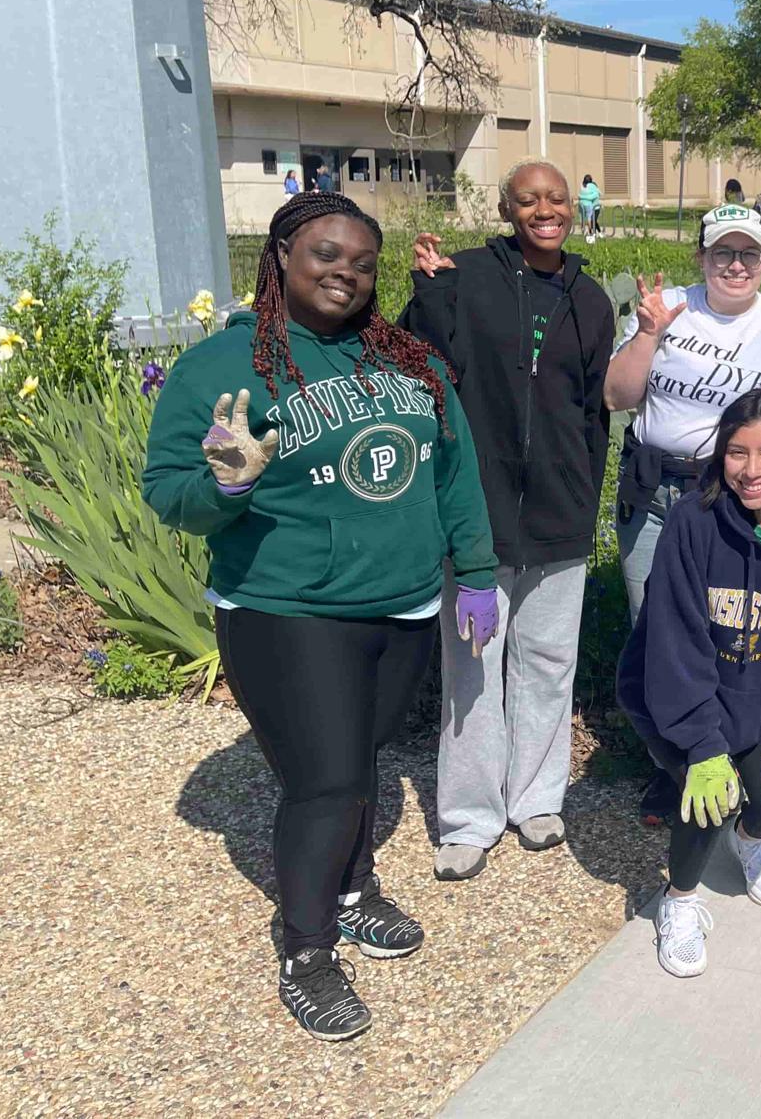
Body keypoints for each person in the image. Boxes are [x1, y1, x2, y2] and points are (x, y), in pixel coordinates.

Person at [142, 192, 499, 1042]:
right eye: (324, 256)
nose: (345, 273)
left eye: (363, 262)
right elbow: (170, 495)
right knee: (328, 780)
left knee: (360, 760)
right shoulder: (223, 368)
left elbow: (455, 471)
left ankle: (352, 886)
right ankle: (305, 948)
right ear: (280, 260)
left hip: (404, 604)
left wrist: (475, 570)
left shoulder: (409, 361)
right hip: (288, 608)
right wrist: (225, 485)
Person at [400, 159, 616, 882]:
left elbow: (594, 410)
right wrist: (429, 293)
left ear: (574, 207)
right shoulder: (464, 277)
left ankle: (536, 798)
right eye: (529, 199)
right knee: (471, 669)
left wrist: (585, 492)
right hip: (477, 517)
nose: (545, 209)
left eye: (556, 198)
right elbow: (422, 368)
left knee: (548, 666)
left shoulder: (588, 299)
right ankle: (468, 817)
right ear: (508, 209)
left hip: (560, 513)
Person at [615, 388, 761, 977]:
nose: (751, 471)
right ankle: (680, 902)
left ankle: (750, 839)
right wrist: (702, 745)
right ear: (720, 455)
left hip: (760, 702)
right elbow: (674, 642)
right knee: (709, 801)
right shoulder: (692, 523)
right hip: (673, 698)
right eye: (736, 453)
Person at [605, 203, 761, 824]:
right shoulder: (667, 307)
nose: (735, 264)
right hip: (652, 492)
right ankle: (674, 768)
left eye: (748, 253)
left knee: (723, 634)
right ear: (701, 257)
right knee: (655, 631)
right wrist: (647, 334)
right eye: (722, 252)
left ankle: (729, 756)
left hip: (728, 497)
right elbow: (617, 395)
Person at [578, 173, 603, 242]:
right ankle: (598, 233)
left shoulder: (594, 190)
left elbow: (593, 196)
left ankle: (595, 233)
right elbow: (586, 195)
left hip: (596, 208)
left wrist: (581, 197)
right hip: (591, 207)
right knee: (594, 221)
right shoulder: (586, 187)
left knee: (593, 221)